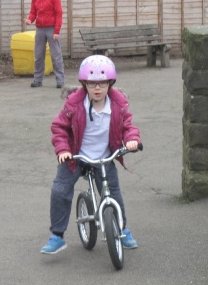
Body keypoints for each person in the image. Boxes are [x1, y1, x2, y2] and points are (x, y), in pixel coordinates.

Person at [40, 55, 141, 254]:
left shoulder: (118, 105)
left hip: (104, 157)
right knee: (60, 189)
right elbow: (59, 128)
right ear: (84, 84)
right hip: (76, 157)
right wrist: (63, 150)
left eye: (102, 83)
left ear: (110, 83)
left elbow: (128, 126)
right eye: (92, 83)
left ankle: (122, 229)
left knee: (113, 192)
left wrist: (132, 140)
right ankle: (57, 236)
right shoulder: (74, 104)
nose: (97, 88)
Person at [24, 0, 65, 89]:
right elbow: (33, 12)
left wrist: (57, 31)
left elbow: (59, 14)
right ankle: (37, 80)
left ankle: (60, 80)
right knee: (38, 56)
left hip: (52, 29)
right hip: (40, 30)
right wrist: (30, 20)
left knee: (56, 56)